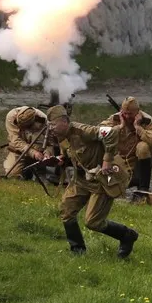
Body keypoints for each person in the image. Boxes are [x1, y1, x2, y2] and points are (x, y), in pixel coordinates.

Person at [48, 105, 139, 258]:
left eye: (53, 125)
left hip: (102, 181)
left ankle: (127, 235)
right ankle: (78, 251)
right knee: (66, 211)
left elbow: (110, 133)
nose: (50, 129)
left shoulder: (84, 131)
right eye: (49, 125)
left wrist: (107, 160)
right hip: (82, 180)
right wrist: (61, 160)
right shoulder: (61, 136)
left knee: (93, 222)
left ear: (64, 121)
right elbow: (71, 152)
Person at [99, 96, 152, 203]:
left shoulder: (148, 121)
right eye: (125, 113)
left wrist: (139, 128)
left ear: (137, 112)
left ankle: (143, 189)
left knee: (143, 147)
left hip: (139, 161)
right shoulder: (115, 118)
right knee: (112, 187)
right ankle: (130, 181)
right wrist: (119, 126)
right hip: (121, 161)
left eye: (130, 114)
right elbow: (100, 132)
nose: (127, 116)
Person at [3, 106, 50, 178]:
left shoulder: (44, 120)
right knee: (12, 174)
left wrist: (48, 152)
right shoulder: (11, 117)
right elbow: (16, 140)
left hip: (39, 150)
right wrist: (33, 152)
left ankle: (38, 169)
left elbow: (51, 142)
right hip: (18, 150)